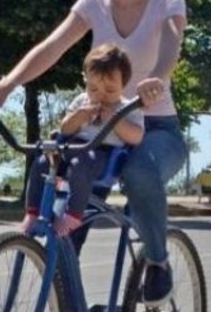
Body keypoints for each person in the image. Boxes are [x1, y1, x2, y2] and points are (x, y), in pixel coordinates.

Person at [0, 0, 188, 312]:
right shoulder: (93, 3)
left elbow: (172, 46)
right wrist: (7, 84)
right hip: (101, 129)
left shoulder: (167, 2)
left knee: (139, 172)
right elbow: (51, 48)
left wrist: (157, 78)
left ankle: (157, 262)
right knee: (65, 224)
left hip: (153, 126)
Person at [20, 44, 144, 236]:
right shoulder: (81, 101)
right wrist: (80, 116)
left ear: (123, 85)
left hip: (104, 154)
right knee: (41, 163)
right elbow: (65, 128)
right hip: (74, 145)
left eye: (110, 90)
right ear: (86, 82)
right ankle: (33, 213)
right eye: (93, 88)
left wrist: (114, 119)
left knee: (81, 164)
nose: (100, 95)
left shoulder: (127, 108)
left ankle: (73, 215)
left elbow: (136, 137)